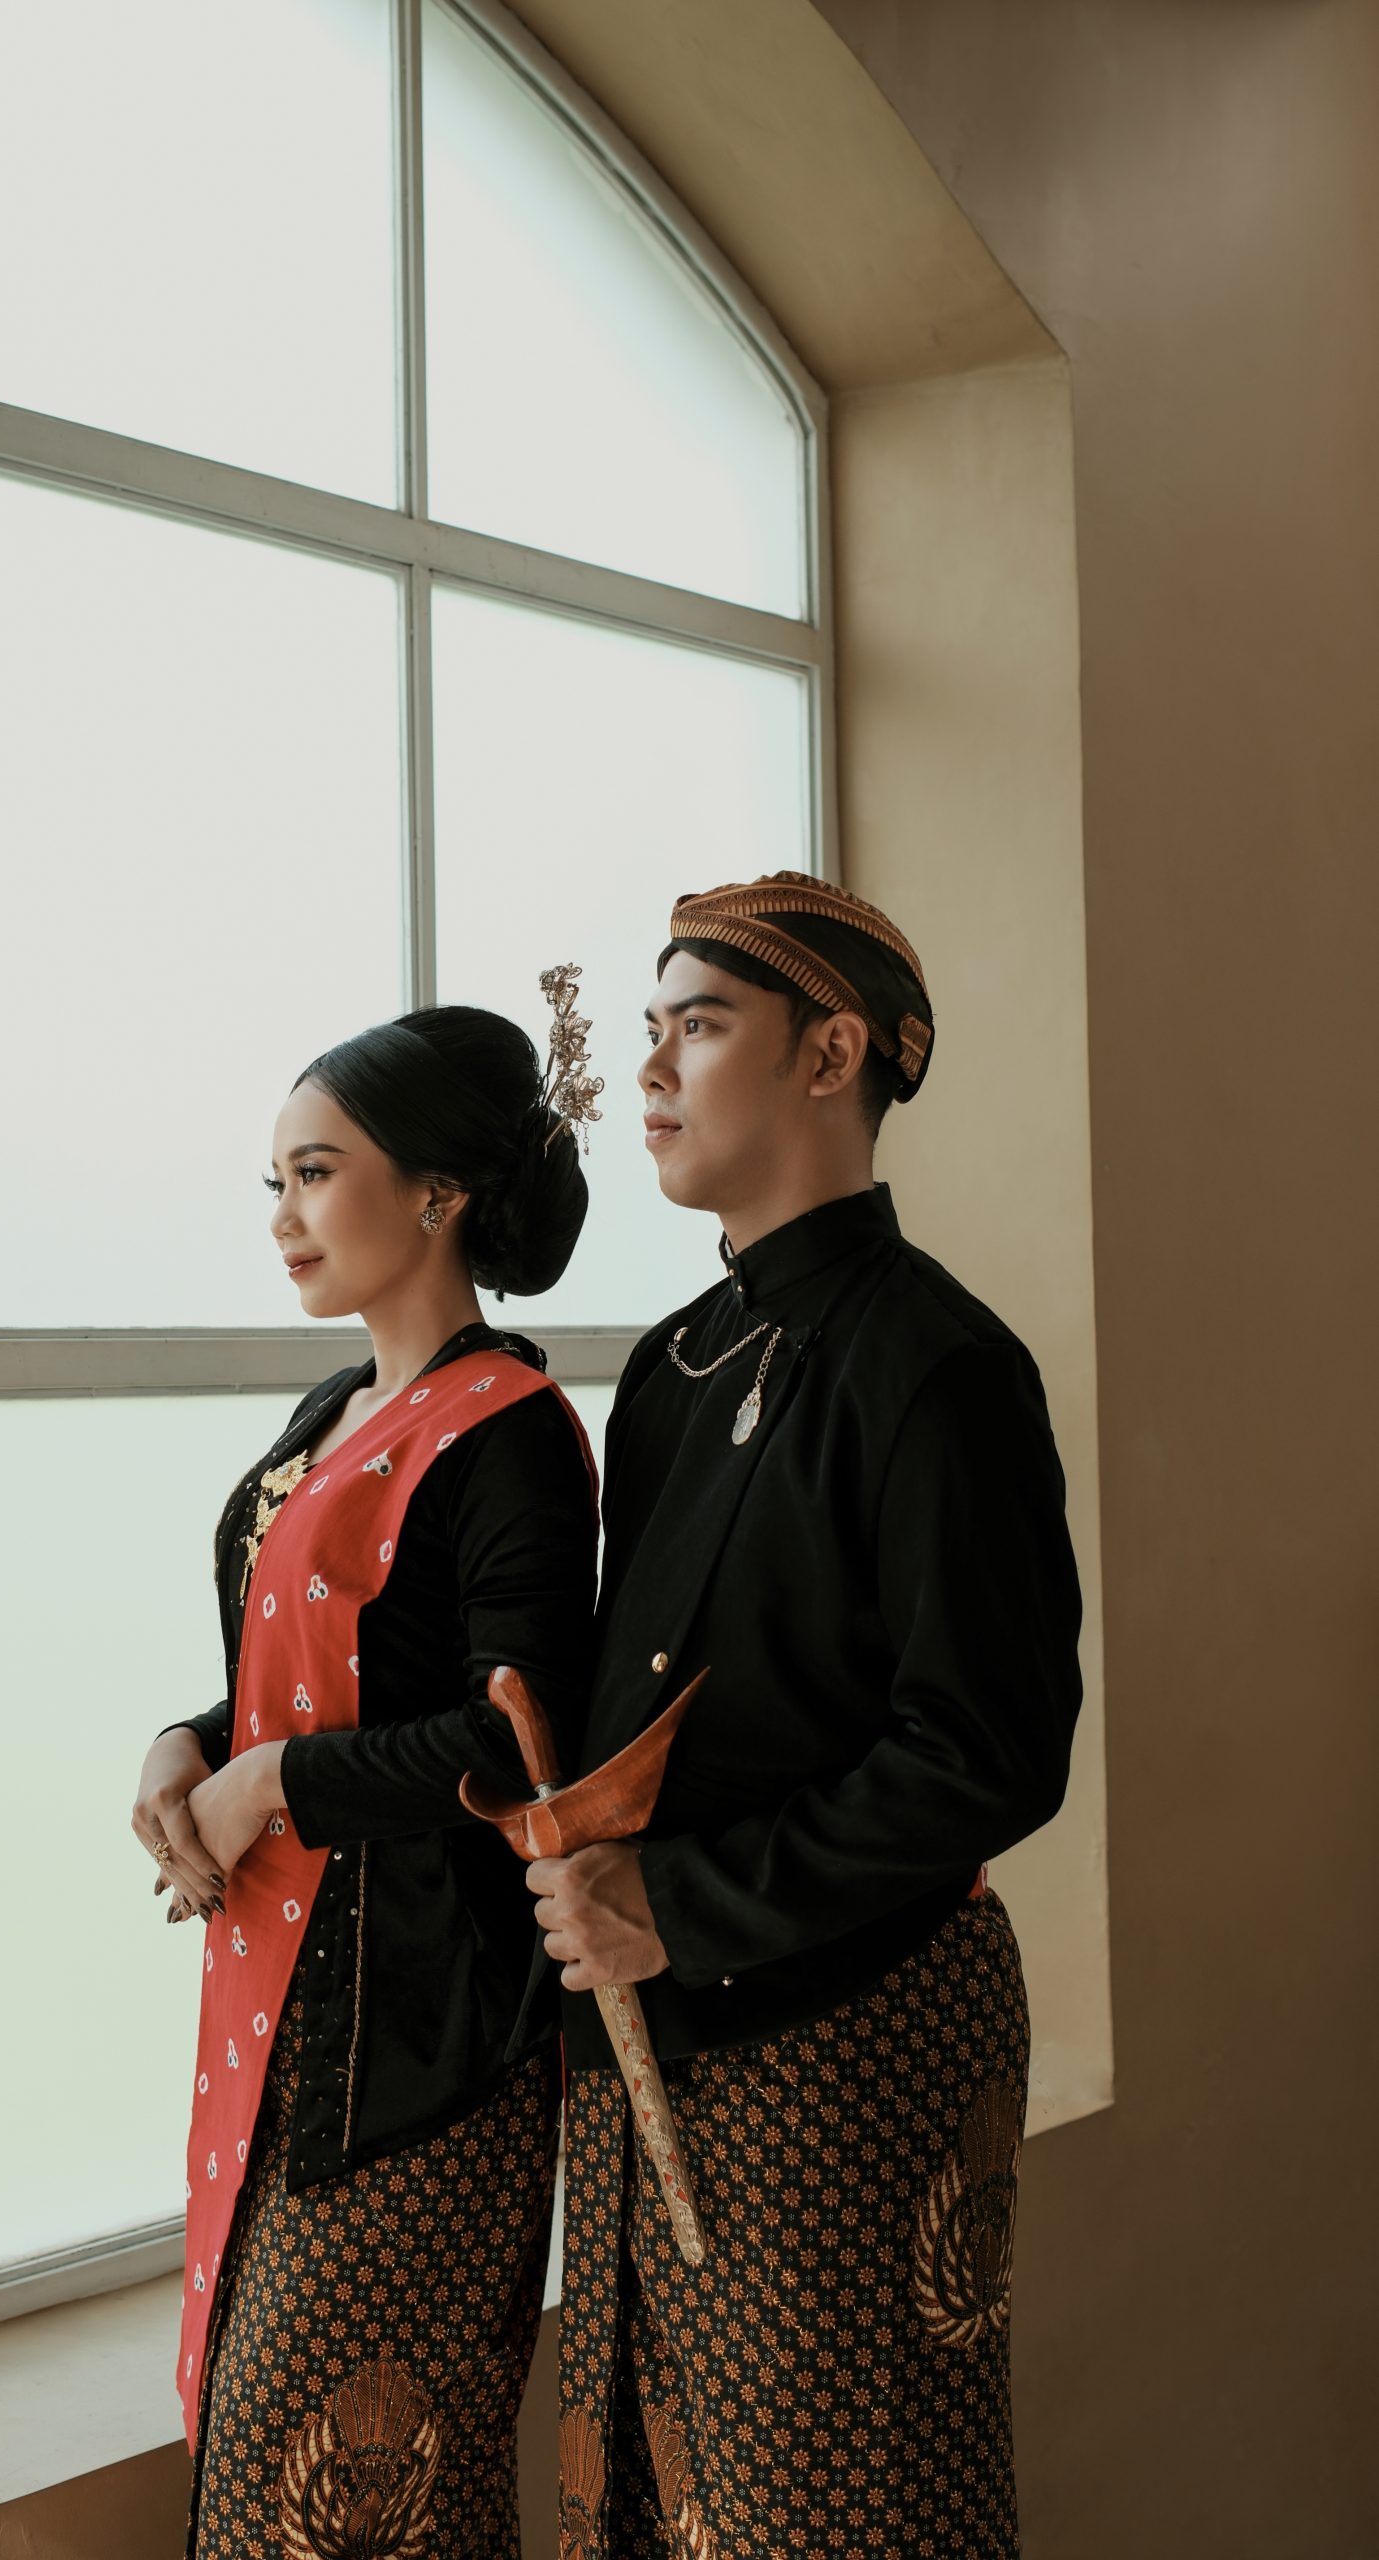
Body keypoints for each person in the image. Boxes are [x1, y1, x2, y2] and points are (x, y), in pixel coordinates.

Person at [527, 875, 1084, 2560]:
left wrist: (678, 1904)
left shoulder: (940, 1363)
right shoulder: (673, 1364)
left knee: (844, 2515)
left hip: (855, 2038)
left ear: (833, 1054)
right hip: (643, 2040)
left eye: (699, 1026)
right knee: (642, 2507)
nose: (651, 1070)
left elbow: (987, 1753)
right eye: (649, 1029)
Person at [131, 975, 603, 2559]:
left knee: (345, 2493)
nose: (284, 1215)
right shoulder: (336, 1409)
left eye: (318, 1172)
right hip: (283, 2022)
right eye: (274, 1180)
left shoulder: (512, 1431)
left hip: (424, 2049)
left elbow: (516, 1734)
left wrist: (270, 1784)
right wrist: (192, 1742)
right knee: (265, 2472)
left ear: (439, 1192)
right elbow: (317, 1681)